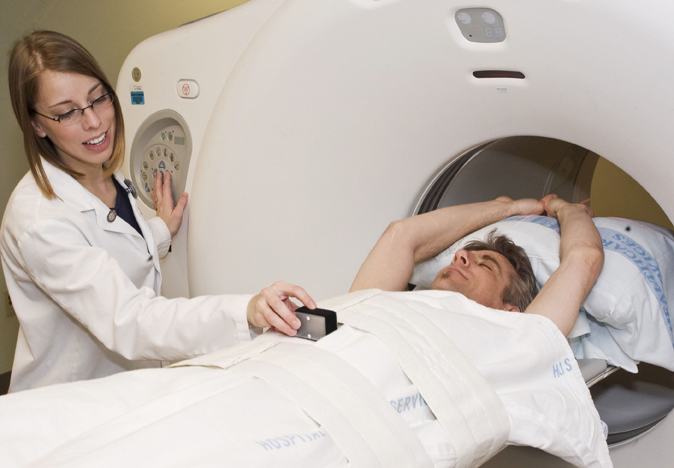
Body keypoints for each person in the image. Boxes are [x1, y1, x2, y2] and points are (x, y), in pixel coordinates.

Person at [0, 30, 315, 393]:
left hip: (130, 385)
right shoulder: (39, 221)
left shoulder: (100, 170)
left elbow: (111, 249)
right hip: (70, 401)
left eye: (98, 98)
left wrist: (160, 231)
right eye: (67, 112)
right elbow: (130, 320)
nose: (94, 122)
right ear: (37, 124)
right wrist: (246, 310)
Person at [350, 194, 604, 337]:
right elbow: (401, 234)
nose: (459, 255)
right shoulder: (373, 309)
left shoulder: (522, 343)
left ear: (510, 311)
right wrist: (505, 208)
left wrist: (569, 210)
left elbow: (584, 257)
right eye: (462, 257)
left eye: (486, 265)